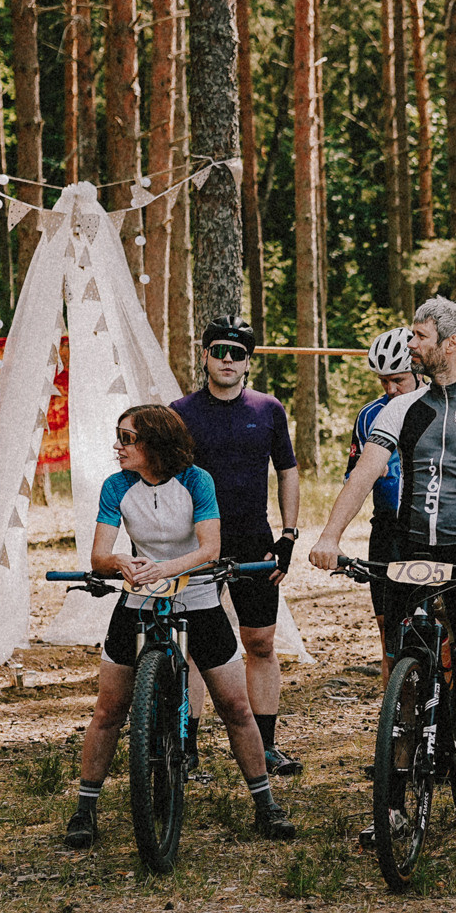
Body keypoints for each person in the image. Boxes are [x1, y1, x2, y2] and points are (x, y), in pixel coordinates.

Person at [310, 297, 456, 855]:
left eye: (419, 336)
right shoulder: (401, 408)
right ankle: (390, 802)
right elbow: (366, 471)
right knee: (404, 681)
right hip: (406, 555)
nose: (410, 344)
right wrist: (329, 536)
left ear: (449, 345)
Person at [61, 405, 295, 848]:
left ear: (154, 443)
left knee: (237, 708)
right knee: (108, 711)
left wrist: (166, 569)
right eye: (118, 436)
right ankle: (84, 810)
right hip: (140, 598)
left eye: (126, 438)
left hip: (200, 597)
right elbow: (99, 556)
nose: (118, 446)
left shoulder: (196, 481)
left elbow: (211, 547)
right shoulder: (116, 486)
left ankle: (266, 805)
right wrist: (120, 562)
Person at [172, 316, 303, 777]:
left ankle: (264, 747)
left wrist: (288, 535)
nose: (228, 360)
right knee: (189, 646)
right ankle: (184, 750)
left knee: (261, 642)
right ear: (204, 354)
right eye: (219, 351)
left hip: (254, 540)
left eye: (238, 353)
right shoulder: (180, 412)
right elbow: (163, 479)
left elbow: (286, 471)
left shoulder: (268, 409)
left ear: (250, 361)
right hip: (196, 542)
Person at [347, 327, 422, 647]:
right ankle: (397, 697)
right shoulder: (369, 416)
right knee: (388, 628)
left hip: (431, 527)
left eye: (399, 380)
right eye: (383, 381)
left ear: (419, 371)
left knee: (430, 620)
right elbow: (355, 481)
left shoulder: (444, 407)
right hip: (387, 527)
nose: (390, 389)